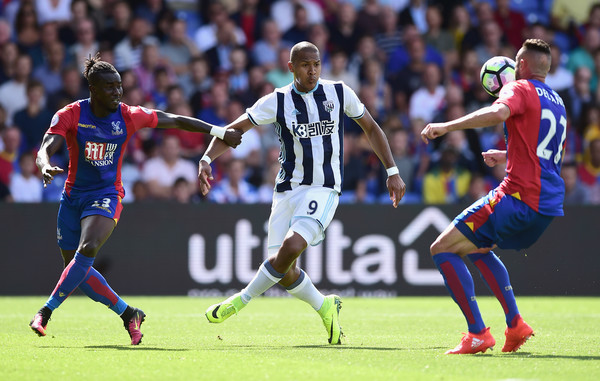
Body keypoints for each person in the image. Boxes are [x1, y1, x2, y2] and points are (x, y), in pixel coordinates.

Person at [198, 41, 406, 345]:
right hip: (286, 192)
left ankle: (239, 301)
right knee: (283, 270)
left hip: (324, 188)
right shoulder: (277, 101)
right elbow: (234, 131)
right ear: (291, 68)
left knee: (291, 246)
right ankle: (325, 306)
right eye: (306, 65)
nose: (313, 70)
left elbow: (371, 128)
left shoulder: (339, 92)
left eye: (317, 64)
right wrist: (206, 159)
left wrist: (392, 170)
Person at [29, 54, 242, 345]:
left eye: (119, 87)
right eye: (109, 88)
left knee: (88, 247)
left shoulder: (128, 115)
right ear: (92, 88)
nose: (117, 93)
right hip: (72, 198)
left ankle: (45, 312)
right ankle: (129, 314)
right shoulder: (71, 114)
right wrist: (43, 164)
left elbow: (175, 119)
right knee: (77, 270)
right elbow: (46, 145)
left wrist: (219, 131)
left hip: (107, 195)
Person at [420, 39, 567, 354]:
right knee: (477, 248)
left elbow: (499, 113)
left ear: (522, 65)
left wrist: (447, 126)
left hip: (518, 197)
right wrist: (506, 155)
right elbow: (550, 155)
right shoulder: (556, 101)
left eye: (516, 62)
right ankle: (515, 325)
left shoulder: (520, 88)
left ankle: (478, 333)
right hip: (547, 207)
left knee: (442, 248)